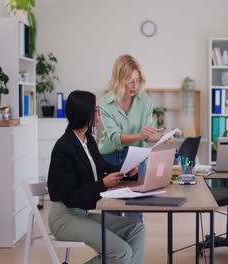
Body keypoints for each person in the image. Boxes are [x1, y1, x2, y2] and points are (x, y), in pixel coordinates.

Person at [48, 90, 145, 264]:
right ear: (85, 114)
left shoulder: (89, 140)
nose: (99, 113)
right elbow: (69, 196)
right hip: (65, 218)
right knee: (121, 253)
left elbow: (104, 170)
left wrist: (127, 172)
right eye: (96, 110)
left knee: (136, 229)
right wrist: (102, 184)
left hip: (81, 213)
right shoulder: (64, 147)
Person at [98, 55, 173, 221]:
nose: (135, 86)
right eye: (130, 81)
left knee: (135, 211)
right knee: (111, 211)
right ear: (119, 79)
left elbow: (148, 134)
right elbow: (115, 137)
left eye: (138, 80)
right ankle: (115, 247)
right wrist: (141, 135)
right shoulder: (104, 103)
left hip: (136, 160)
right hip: (108, 159)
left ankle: (133, 246)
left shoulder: (144, 100)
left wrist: (160, 136)